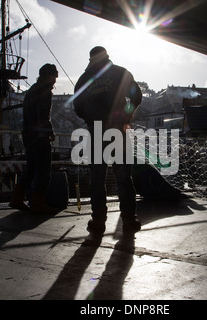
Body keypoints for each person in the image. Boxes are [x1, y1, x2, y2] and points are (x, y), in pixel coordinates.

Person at [74, 46, 143, 235]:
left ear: (91, 60)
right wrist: (127, 116)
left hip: (96, 131)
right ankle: (129, 220)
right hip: (118, 129)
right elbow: (137, 95)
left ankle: (98, 221)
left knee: (97, 177)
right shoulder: (120, 73)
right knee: (123, 177)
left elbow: (77, 105)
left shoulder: (84, 78)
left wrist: (90, 118)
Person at [9, 63, 58, 214]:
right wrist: (49, 132)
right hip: (39, 135)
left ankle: (16, 198)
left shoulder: (30, 91)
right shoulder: (45, 92)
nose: (55, 80)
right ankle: (38, 203)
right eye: (54, 77)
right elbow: (43, 116)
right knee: (43, 170)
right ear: (48, 76)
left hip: (27, 134)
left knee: (30, 168)